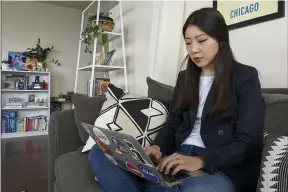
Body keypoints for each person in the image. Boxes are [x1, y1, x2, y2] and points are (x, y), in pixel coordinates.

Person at [88, 7, 264, 192]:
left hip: (218, 165)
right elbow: (172, 124)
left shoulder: (245, 77)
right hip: (177, 157)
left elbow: (247, 142)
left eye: (201, 40)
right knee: (100, 152)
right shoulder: (185, 78)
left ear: (221, 39)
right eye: (188, 43)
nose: (194, 49)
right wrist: (157, 147)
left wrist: (201, 160)